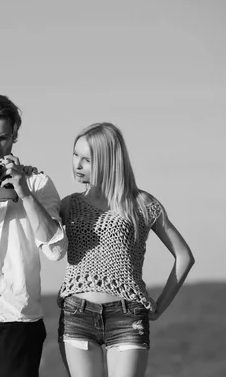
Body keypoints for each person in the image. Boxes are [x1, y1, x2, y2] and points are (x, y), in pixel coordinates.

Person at [57, 122, 195, 377]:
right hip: (77, 314)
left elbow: (184, 256)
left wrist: (160, 307)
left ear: (108, 161)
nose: (77, 164)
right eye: (75, 155)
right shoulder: (68, 204)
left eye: (86, 159)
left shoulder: (143, 203)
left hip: (127, 316)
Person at [0, 94, 68, 377]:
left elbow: (56, 250)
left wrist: (25, 194)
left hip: (16, 315)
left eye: (2, 138)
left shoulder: (36, 182)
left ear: (14, 135)